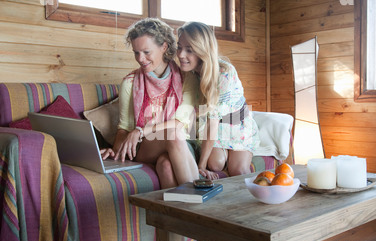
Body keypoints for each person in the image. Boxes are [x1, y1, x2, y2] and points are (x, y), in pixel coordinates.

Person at [101, 18, 199, 189]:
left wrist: (140, 130)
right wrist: (116, 151)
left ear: (164, 47)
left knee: (165, 166)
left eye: (146, 52)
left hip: (181, 143)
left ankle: (177, 214)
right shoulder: (130, 83)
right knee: (172, 134)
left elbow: (179, 122)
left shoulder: (186, 78)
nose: (140, 59)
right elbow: (124, 128)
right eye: (136, 52)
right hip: (146, 146)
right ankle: (202, 204)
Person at [176, 21, 260, 181]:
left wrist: (200, 166)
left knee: (239, 171)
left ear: (203, 50)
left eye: (189, 50)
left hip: (236, 123)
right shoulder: (191, 74)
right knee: (215, 164)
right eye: (179, 47)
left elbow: (212, 124)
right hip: (212, 125)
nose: (181, 55)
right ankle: (224, 157)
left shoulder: (224, 73)